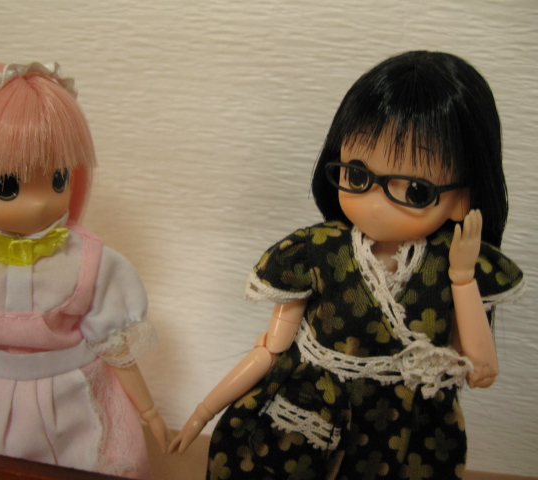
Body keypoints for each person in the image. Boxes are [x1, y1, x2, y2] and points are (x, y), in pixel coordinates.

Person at [170, 51, 524, 479]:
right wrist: (204, 410)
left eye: (415, 190)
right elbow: (271, 349)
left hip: (403, 432)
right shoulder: (316, 252)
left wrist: (463, 279)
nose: (373, 204)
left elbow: (481, 371)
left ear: (462, 199)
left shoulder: (451, 265)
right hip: (310, 416)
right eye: (357, 176)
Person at [0, 61, 168, 478]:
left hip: (79, 399)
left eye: (58, 178)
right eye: (7, 187)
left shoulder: (91, 260)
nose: (41, 202)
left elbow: (115, 348)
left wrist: (149, 411)